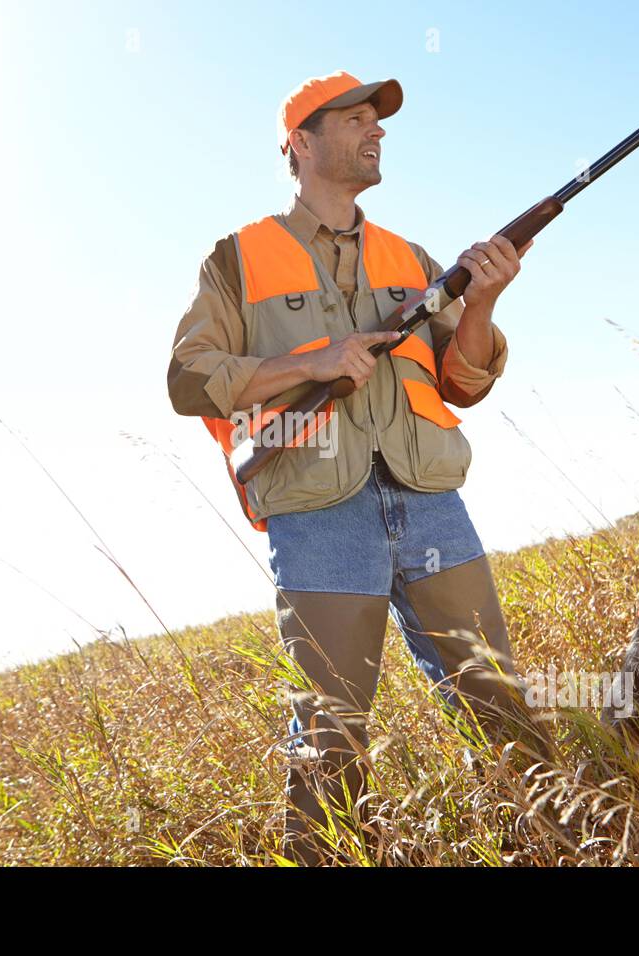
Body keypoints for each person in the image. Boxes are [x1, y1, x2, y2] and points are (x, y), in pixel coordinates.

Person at [167, 70, 550, 865]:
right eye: (353, 119)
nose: (375, 130)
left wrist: (481, 303)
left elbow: (465, 383)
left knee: (499, 703)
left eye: (378, 120)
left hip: (430, 500)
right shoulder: (238, 259)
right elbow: (188, 377)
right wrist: (314, 360)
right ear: (300, 144)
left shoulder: (410, 256)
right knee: (330, 735)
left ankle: (553, 845)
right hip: (319, 511)